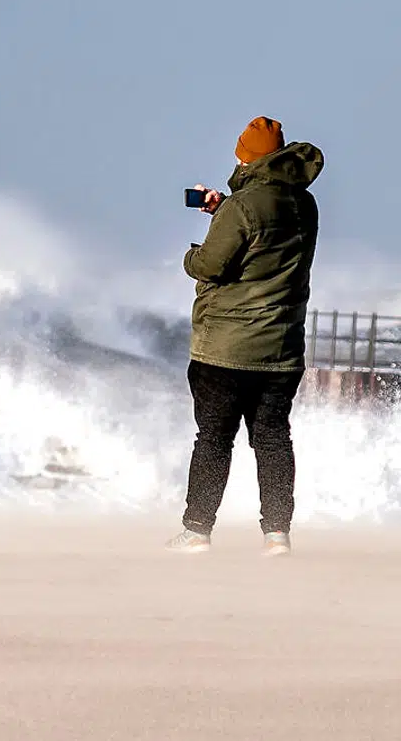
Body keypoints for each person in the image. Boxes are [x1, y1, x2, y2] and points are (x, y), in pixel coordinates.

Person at [166, 116, 323, 557]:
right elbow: (264, 237)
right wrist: (226, 209)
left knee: (214, 439)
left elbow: (213, 264)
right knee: (272, 439)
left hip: (226, 349)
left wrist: (191, 255)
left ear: (248, 157)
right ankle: (277, 535)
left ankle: (197, 531)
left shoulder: (243, 207)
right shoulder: (304, 205)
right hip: (281, 349)